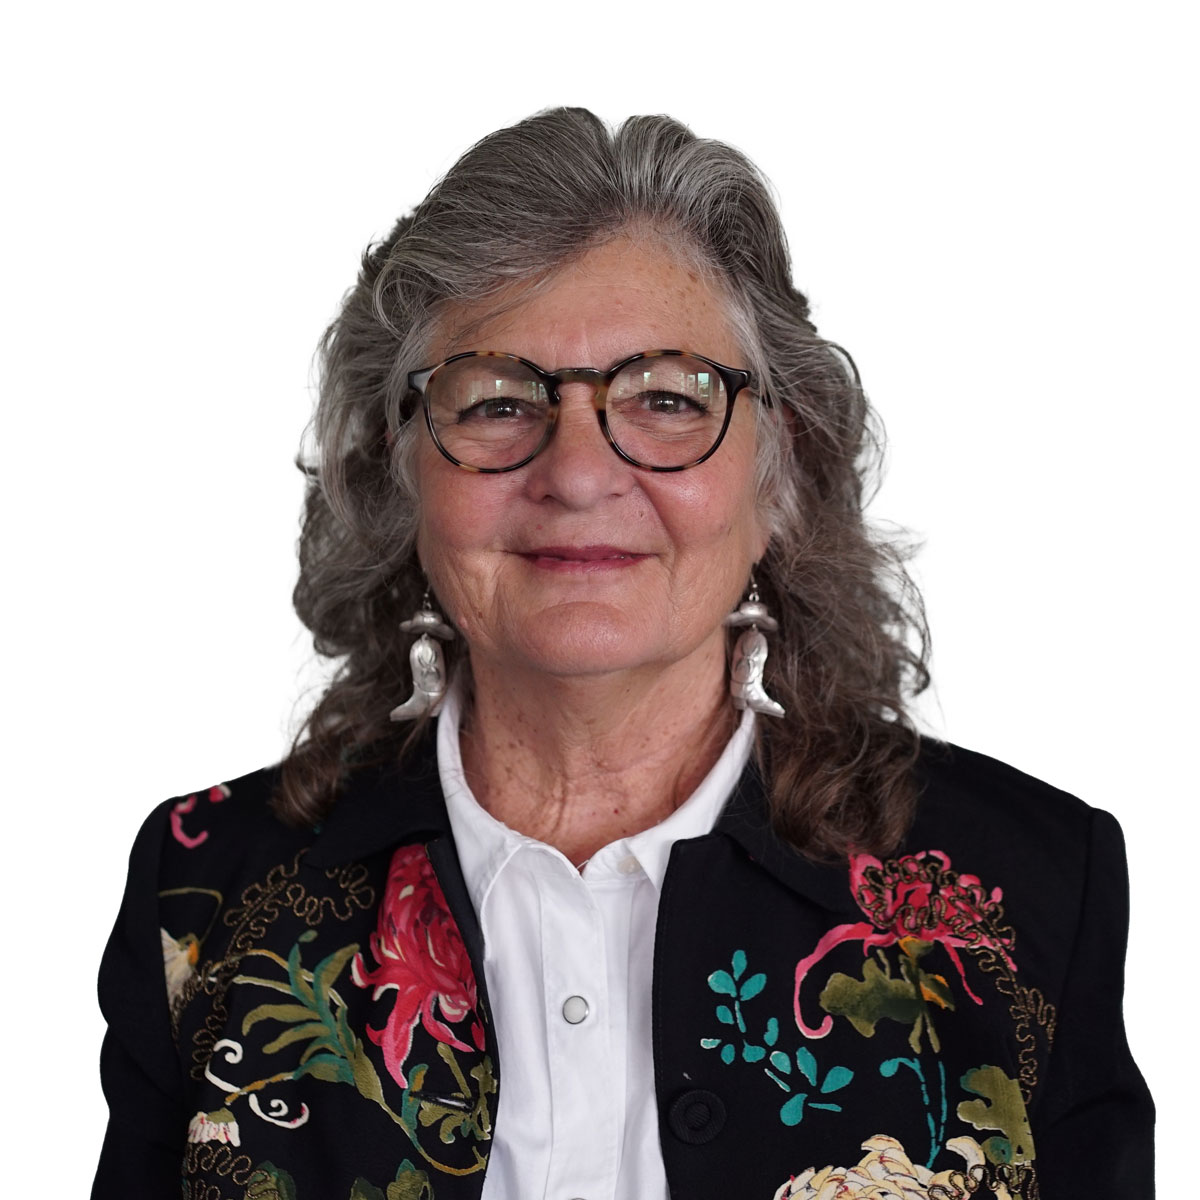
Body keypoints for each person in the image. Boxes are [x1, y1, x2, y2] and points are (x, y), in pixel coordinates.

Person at [91, 108, 1153, 1200]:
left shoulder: (1024, 891)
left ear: (777, 468)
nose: (579, 471)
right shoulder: (210, 892)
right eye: (499, 401)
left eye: (664, 399)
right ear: (396, 467)